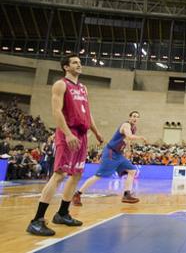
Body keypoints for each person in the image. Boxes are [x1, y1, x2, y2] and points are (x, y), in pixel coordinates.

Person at [27, 55, 104, 236]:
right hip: (67, 132)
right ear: (65, 67)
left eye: (79, 62)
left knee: (76, 174)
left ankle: (62, 213)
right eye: (75, 62)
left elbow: (87, 112)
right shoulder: (61, 84)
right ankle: (36, 220)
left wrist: (96, 132)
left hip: (82, 134)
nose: (79, 65)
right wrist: (68, 133)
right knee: (59, 174)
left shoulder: (83, 88)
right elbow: (56, 111)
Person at [73, 111, 146, 206]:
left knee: (132, 170)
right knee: (98, 176)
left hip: (119, 154)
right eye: (133, 116)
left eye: (137, 117)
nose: (135, 118)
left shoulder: (134, 128)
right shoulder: (126, 125)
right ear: (129, 117)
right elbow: (129, 136)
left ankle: (126, 194)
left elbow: (126, 140)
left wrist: (128, 150)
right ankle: (77, 194)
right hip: (111, 153)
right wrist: (141, 137)